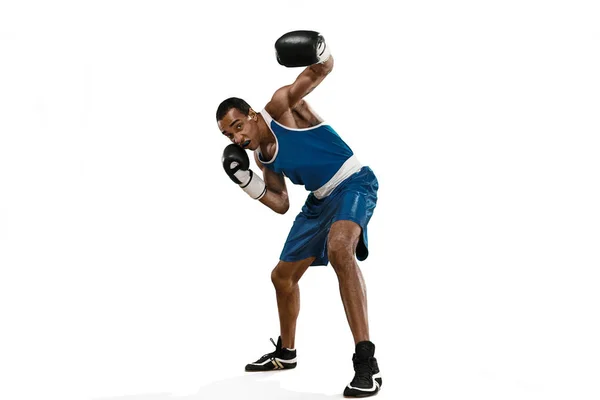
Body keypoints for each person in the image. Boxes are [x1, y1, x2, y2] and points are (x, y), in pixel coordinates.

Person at [217, 30, 382, 397]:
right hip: (319, 202)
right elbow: (281, 203)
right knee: (282, 277)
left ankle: (366, 362)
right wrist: (246, 182)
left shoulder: (281, 107)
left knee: (341, 249)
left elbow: (322, 69)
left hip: (353, 182)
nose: (238, 139)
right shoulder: (262, 158)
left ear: (252, 115)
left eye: (239, 127)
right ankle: (286, 353)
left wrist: (319, 51)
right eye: (230, 137)